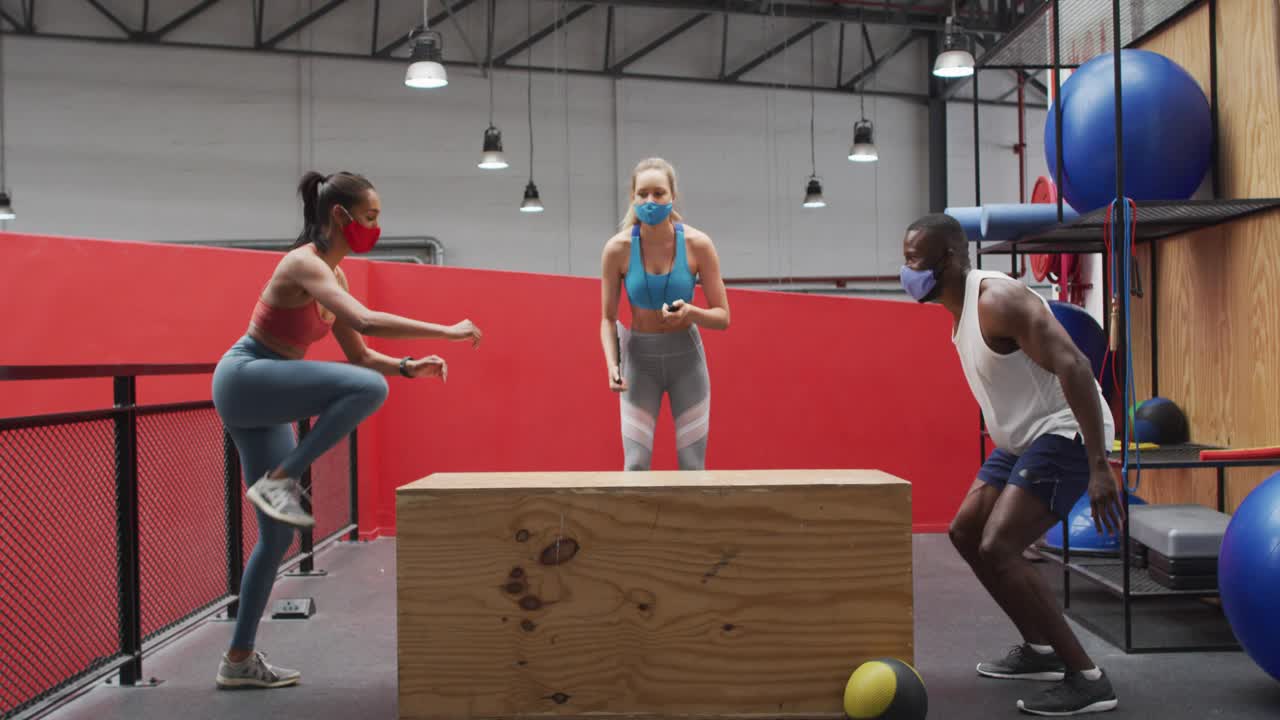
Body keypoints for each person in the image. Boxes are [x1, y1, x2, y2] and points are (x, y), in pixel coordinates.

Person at [210, 170, 482, 689]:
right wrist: (446, 331)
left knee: (277, 535)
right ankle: (283, 477)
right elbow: (367, 323)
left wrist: (406, 367)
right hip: (246, 377)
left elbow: (358, 352)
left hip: (265, 392)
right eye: (371, 218)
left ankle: (238, 659)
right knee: (367, 392)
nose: (375, 229)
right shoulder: (303, 264)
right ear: (340, 216)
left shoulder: (336, 277)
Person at [900, 213, 1121, 716]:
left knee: (1000, 545)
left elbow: (1076, 365)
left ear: (951, 259)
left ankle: (1087, 677)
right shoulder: (959, 310)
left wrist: (1098, 466)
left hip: (1064, 432)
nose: (907, 271)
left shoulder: (996, 301)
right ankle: (1039, 651)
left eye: (915, 261)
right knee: (964, 533)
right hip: (1024, 438)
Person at [599, 158, 730, 471]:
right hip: (639, 363)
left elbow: (723, 316)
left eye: (659, 193)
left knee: (692, 465)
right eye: (643, 194)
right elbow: (606, 317)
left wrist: (691, 312)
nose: (650, 201)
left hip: (686, 359)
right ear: (633, 197)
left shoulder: (698, 245)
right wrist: (612, 365)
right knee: (636, 465)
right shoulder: (617, 249)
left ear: (673, 196)